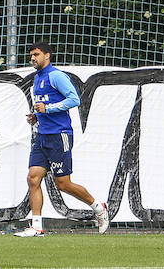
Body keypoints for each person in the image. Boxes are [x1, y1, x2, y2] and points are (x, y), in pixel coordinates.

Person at [14, 42, 110, 237]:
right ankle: (37, 226)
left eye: (36, 54)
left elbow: (74, 99)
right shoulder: (38, 78)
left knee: (63, 184)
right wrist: (36, 116)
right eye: (31, 55)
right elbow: (43, 105)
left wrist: (47, 109)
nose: (33, 58)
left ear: (47, 56)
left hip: (60, 135)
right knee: (33, 178)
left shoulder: (56, 76)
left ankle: (98, 207)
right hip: (42, 136)